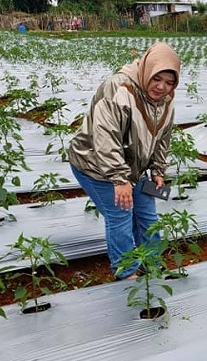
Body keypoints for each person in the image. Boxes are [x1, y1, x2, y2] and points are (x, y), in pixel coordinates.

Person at [68, 42, 180, 280]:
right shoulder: (118, 88)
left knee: (148, 213)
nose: (162, 87)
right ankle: (127, 273)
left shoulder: (166, 99)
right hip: (95, 165)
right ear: (146, 70)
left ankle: (152, 263)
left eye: (169, 83)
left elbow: (163, 135)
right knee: (121, 213)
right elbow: (105, 136)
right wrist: (119, 179)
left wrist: (158, 169)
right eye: (157, 79)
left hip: (132, 169)